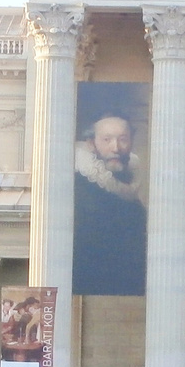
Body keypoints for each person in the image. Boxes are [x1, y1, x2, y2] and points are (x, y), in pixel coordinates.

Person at [73, 111, 147, 295]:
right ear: (91, 143)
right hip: (90, 283)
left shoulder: (131, 181)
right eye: (107, 140)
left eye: (123, 139)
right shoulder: (79, 187)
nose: (116, 148)